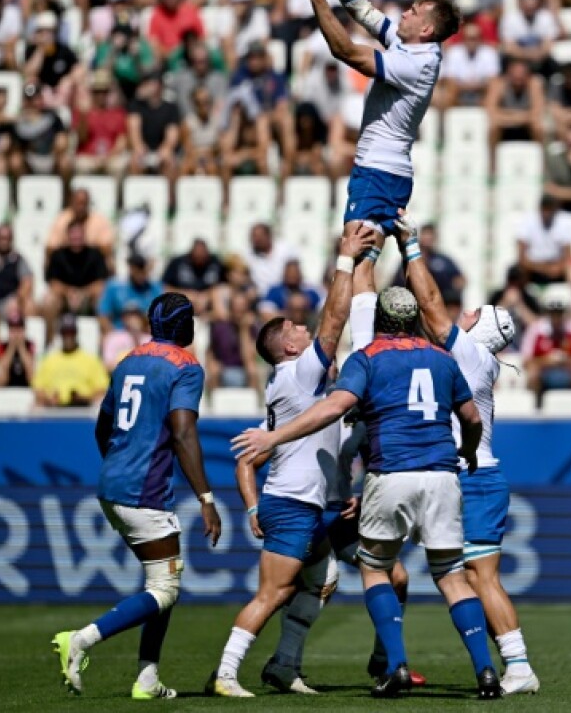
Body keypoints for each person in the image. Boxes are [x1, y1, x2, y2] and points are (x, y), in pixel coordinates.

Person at [230, 284, 500, 699]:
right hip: (438, 476)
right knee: (449, 575)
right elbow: (471, 417)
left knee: (376, 572)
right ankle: (485, 670)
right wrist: (467, 452)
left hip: (383, 480)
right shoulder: (444, 359)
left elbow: (336, 404)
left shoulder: (363, 364)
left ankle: (389, 664)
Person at [205, 227, 368, 698]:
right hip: (294, 504)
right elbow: (334, 323)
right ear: (292, 349)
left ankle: (284, 665)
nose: (305, 327)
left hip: (307, 506)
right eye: (297, 329)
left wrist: (254, 507)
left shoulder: (292, 387)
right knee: (273, 594)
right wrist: (344, 261)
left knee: (324, 578)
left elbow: (247, 460)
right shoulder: (299, 374)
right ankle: (226, 672)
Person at [386, 217, 541, 694]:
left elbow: (430, 306)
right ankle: (505, 661)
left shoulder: (470, 354)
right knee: (463, 577)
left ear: (484, 330)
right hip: (459, 476)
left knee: (481, 576)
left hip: (474, 476)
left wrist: (411, 250)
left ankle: (519, 666)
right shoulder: (474, 359)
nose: (464, 314)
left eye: (474, 312)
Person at [51, 294, 222, 701]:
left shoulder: (127, 361)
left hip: (111, 483)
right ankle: (80, 639)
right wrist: (206, 497)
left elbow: (102, 426)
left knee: (161, 582)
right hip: (142, 490)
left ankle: (147, 679)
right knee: (165, 589)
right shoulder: (186, 366)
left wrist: (119, 465)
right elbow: (182, 433)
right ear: (185, 328)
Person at [292, 0, 458, 242]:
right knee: (362, 262)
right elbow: (362, 10)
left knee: (350, 255)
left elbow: (345, 51)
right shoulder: (413, 46)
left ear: (425, 28)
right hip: (390, 172)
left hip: (376, 171)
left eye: (413, 12)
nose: (404, 12)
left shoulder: (414, 64)